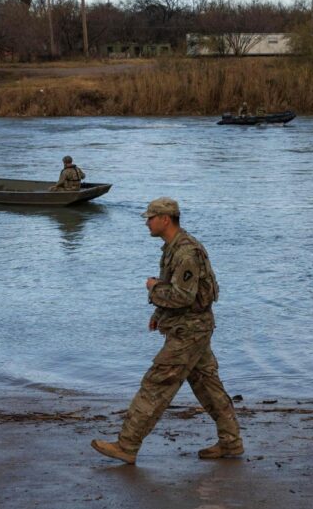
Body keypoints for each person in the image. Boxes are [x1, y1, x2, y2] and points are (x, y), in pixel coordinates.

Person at [91, 197, 244, 465]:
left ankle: (127, 445)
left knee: (156, 384)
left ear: (165, 219)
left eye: (150, 218)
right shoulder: (172, 247)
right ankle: (231, 443)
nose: (147, 223)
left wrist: (153, 288)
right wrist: (159, 313)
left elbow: (183, 296)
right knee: (207, 386)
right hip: (191, 328)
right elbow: (178, 292)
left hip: (189, 331)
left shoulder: (186, 252)